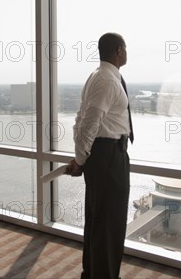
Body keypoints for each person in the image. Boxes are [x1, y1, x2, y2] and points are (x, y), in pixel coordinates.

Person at [66, 32, 133, 279]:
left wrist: (81, 158)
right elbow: (89, 123)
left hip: (105, 156)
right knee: (109, 224)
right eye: (126, 48)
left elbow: (80, 121)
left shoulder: (98, 76)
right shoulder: (106, 80)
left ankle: (92, 273)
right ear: (118, 51)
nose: (127, 52)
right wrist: (82, 159)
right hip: (109, 157)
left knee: (98, 221)